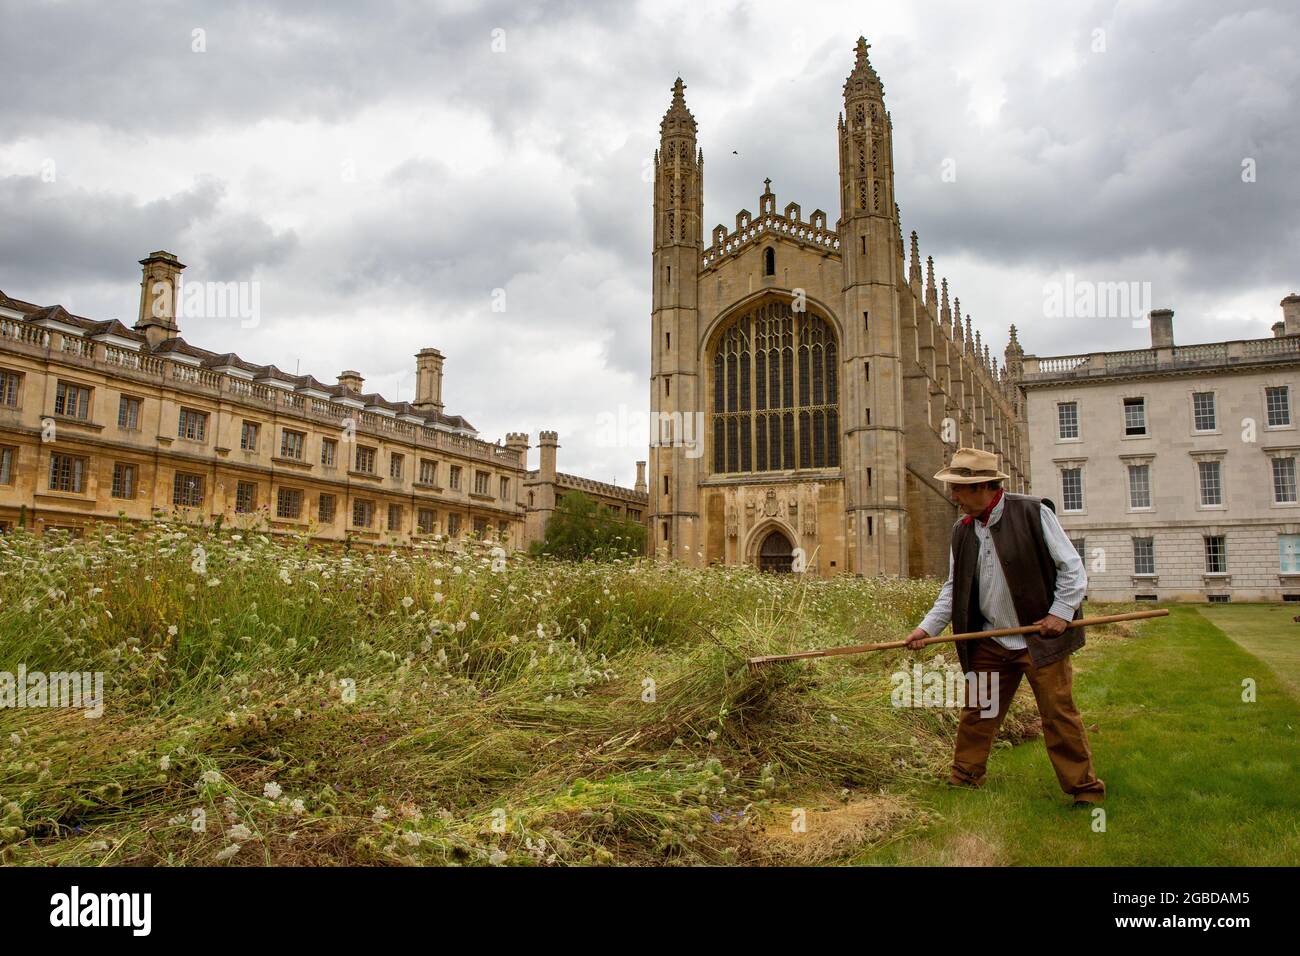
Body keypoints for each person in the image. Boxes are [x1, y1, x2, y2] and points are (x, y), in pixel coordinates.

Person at [905, 447, 1105, 806]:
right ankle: (965, 778)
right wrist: (927, 629)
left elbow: (1072, 569)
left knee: (1058, 715)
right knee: (978, 713)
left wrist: (1060, 614)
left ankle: (1084, 790)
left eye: (960, 489)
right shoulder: (961, 531)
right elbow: (954, 588)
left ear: (984, 487)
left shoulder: (1032, 512)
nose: (954, 496)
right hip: (992, 642)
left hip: (1040, 639)